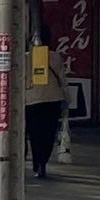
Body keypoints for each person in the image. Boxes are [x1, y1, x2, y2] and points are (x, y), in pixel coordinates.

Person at [27, 33, 68, 179]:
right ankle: (43, 162)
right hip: (53, 99)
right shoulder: (55, 57)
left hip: (31, 100)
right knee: (49, 133)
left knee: (34, 134)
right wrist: (66, 99)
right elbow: (62, 79)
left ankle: (37, 163)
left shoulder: (25, 58)